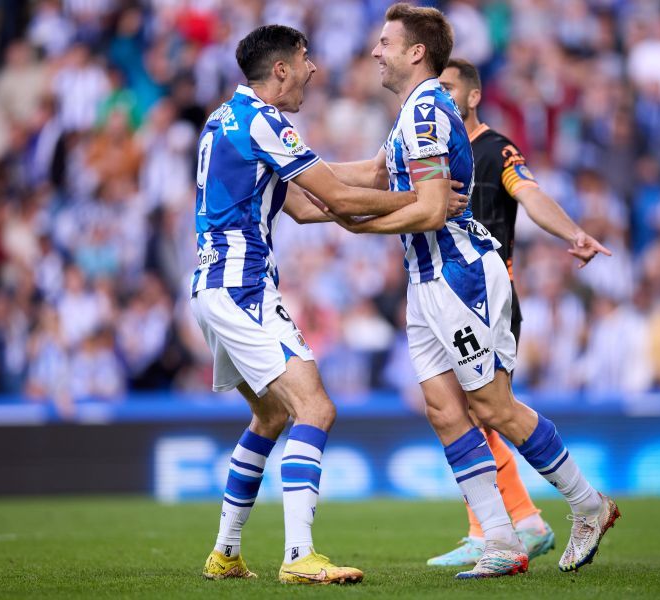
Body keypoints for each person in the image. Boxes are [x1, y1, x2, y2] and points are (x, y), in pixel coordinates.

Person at [323, 3, 619, 578]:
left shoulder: (430, 110)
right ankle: (502, 541)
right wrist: (296, 171)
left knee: (491, 406)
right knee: (443, 410)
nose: (375, 51)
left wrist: (354, 222)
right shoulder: (410, 113)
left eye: (386, 42)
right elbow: (376, 175)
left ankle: (588, 505)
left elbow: (432, 211)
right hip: (424, 281)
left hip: (461, 275)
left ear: (416, 52)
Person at [192, 24, 465, 584]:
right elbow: (335, 197)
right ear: (282, 71)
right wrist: (425, 197)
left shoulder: (226, 119)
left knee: (270, 415)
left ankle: (225, 551)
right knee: (315, 408)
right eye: (305, 58)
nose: (314, 69)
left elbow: (308, 207)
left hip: (212, 287)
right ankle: (298, 557)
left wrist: (378, 190)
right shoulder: (265, 122)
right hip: (242, 289)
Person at [422, 57, 612, 568]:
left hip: (488, 295)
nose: (438, 95)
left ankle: (528, 521)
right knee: (458, 412)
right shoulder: (431, 149)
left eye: (448, 87)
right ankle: (509, 526)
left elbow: (528, 193)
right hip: (442, 296)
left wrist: (572, 232)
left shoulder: (495, 149)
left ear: (474, 95)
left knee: (487, 410)